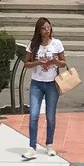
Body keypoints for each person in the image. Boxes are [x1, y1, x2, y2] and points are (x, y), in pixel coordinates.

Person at [22, 16, 65, 157]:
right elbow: (26, 63)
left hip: (52, 83)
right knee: (33, 115)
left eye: (48, 27)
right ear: (39, 30)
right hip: (37, 83)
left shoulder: (57, 43)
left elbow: (64, 62)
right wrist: (38, 62)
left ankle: (49, 144)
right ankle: (32, 146)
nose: (47, 30)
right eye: (44, 28)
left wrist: (55, 61)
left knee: (50, 116)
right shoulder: (33, 45)